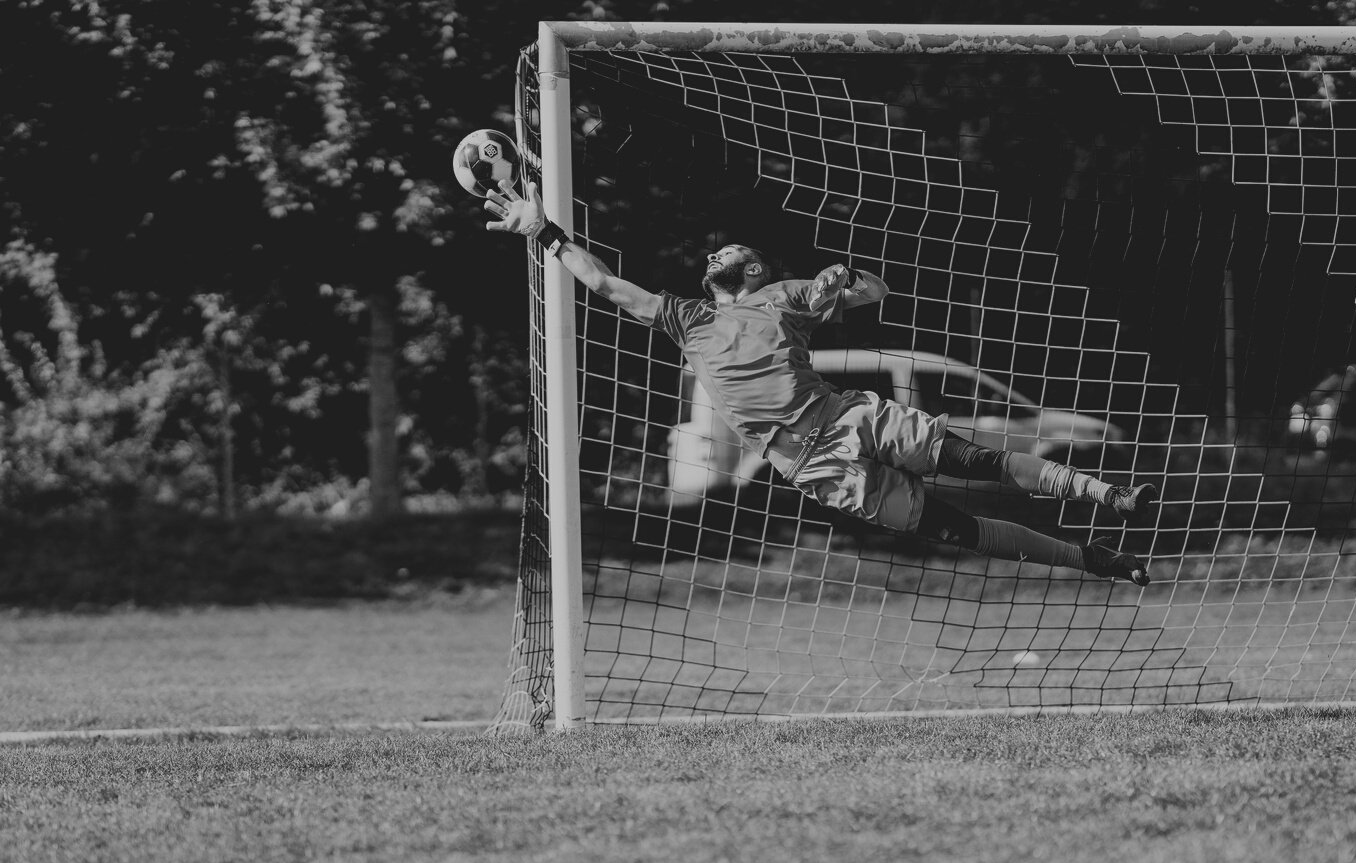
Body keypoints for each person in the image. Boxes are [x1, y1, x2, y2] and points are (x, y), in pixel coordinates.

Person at [484, 181, 1156, 585]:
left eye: (737, 250)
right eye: (717, 253)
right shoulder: (687, 321)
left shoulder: (782, 295)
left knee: (977, 460)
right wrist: (542, 231)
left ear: (752, 272)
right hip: (811, 464)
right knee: (961, 531)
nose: (723, 250)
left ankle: (1109, 493)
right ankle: (1095, 558)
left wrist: (845, 279)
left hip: (849, 416)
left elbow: (876, 290)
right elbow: (604, 282)